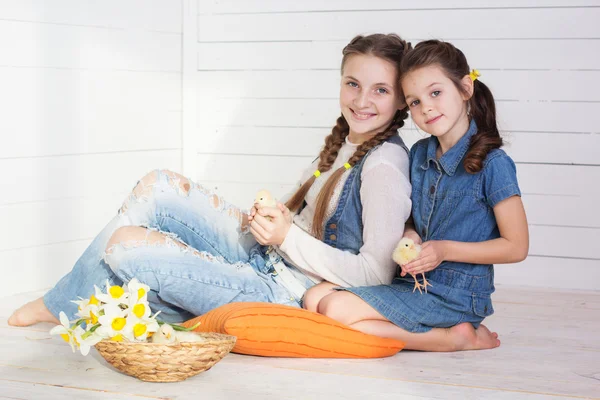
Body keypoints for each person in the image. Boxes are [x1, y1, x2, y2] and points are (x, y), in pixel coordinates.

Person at [8, 34, 413, 329]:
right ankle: (66, 301)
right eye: (353, 84)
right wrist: (273, 218)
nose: (362, 101)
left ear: (400, 99)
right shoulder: (345, 140)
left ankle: (70, 302)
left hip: (284, 289)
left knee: (125, 246)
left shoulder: (384, 166)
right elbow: (304, 218)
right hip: (267, 253)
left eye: (381, 90)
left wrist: (286, 237)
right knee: (158, 186)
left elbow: (375, 275)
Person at [309, 40, 529, 352]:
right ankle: (398, 331)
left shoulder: (493, 164)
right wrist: (410, 235)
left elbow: (516, 247)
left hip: (457, 294)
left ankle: (454, 338)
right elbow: (412, 217)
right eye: (414, 101)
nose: (425, 107)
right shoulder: (419, 154)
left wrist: (443, 250)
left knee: (335, 310)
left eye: (435, 93)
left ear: (465, 89)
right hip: (412, 282)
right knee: (314, 297)